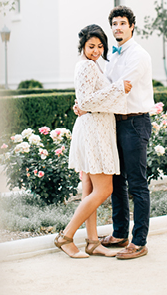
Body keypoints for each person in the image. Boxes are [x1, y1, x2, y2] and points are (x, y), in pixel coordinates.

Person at [55, 24, 131, 258]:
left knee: (88, 187)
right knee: (103, 189)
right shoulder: (87, 65)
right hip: (94, 132)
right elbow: (87, 101)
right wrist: (118, 89)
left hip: (93, 128)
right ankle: (66, 237)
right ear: (83, 46)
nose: (96, 50)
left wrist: (89, 103)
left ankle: (92, 241)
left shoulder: (92, 65)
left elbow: (86, 101)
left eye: (100, 46)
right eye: (91, 46)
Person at [96, 6, 155, 260]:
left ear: (132, 26)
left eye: (122, 23)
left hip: (134, 123)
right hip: (115, 123)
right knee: (117, 181)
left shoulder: (138, 55)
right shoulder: (113, 55)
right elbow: (106, 86)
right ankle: (120, 233)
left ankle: (139, 241)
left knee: (137, 185)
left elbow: (121, 89)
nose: (117, 27)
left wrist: (92, 100)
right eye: (114, 24)